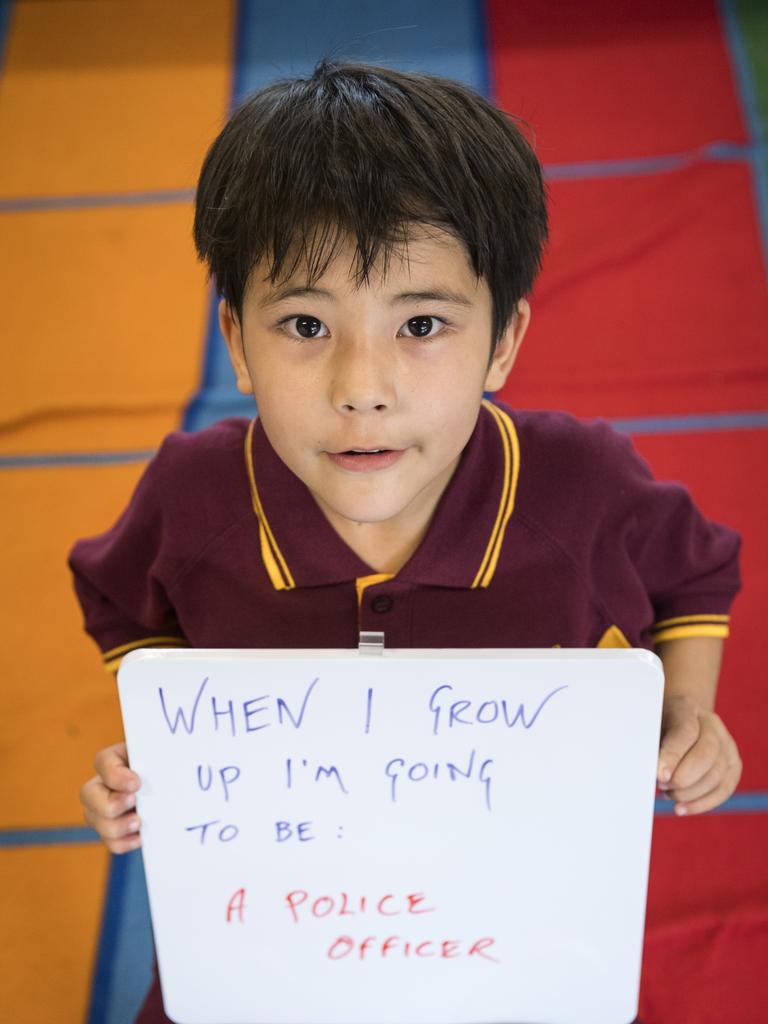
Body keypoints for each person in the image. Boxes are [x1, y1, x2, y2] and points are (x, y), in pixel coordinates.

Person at [72, 60, 742, 1022]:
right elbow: (121, 600)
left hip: (515, 944)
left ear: (503, 343)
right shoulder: (195, 497)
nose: (362, 385)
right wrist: (157, 760)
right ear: (236, 339)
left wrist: (686, 714)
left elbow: (694, 574)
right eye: (306, 324)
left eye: (421, 323)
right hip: (266, 942)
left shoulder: (581, 487)